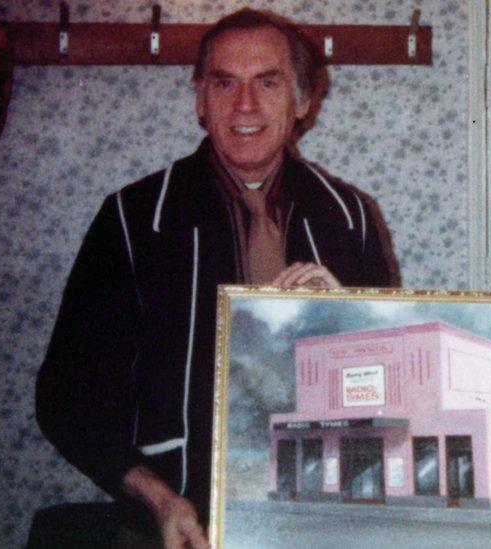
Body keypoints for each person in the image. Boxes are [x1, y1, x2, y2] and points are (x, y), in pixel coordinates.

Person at [35, 8, 393, 548]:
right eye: (224, 83)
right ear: (201, 101)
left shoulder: (350, 218)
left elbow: (394, 386)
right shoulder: (135, 220)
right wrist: (158, 498)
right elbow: (66, 399)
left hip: (323, 523)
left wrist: (352, 321)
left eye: (267, 83)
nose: (244, 106)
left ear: (302, 102)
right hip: (175, 523)